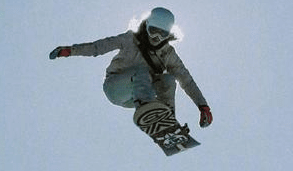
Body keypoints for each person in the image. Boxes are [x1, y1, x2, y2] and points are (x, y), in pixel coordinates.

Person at [49, 7, 213, 129]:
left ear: (168, 34)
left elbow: (186, 80)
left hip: (137, 97)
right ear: (146, 26)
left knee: (169, 80)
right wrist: (70, 50)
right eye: (153, 31)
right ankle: (147, 106)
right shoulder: (130, 39)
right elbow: (97, 47)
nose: (156, 38)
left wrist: (202, 106)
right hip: (116, 87)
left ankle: (167, 122)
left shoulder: (168, 53)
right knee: (141, 72)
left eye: (161, 34)